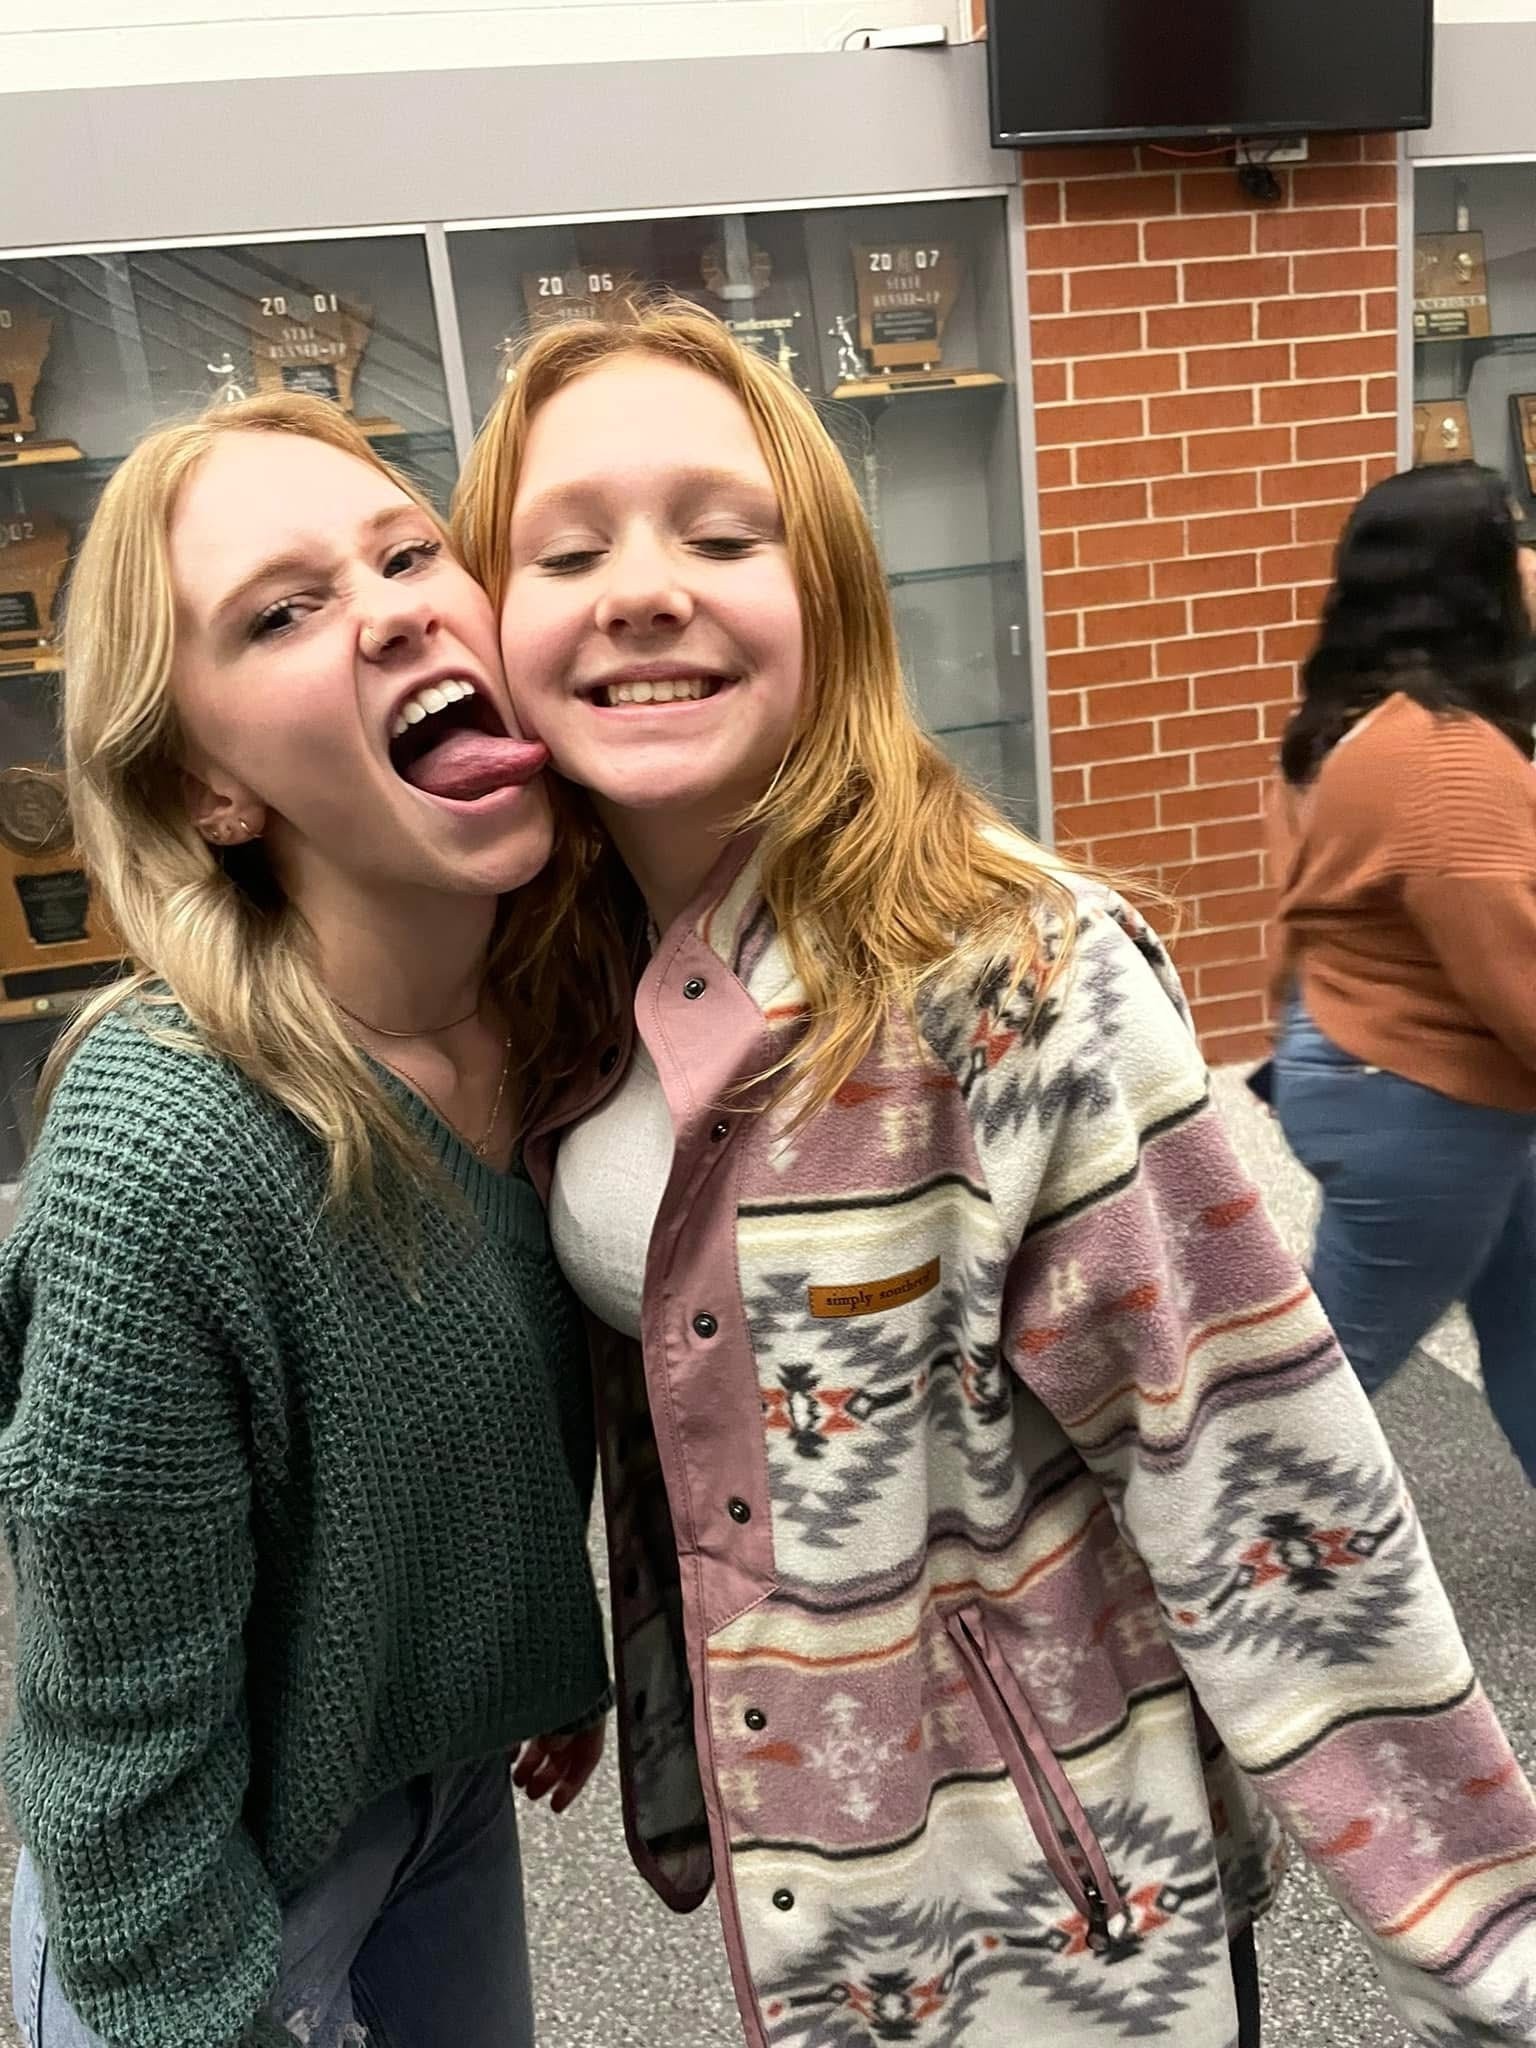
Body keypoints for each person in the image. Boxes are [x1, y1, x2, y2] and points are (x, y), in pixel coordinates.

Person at [452, 305, 1536, 2048]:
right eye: (567, 551)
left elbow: (1254, 1474)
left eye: (722, 536)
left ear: (830, 599)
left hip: (1066, 1924)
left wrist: (1492, 1952)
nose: (642, 588)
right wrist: (604, 1646)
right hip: (815, 1899)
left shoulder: (1011, 977)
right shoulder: (566, 984)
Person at [0, 392, 610, 2048]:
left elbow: (475, 1416)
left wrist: (527, 1658)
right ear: (209, 787)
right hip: (197, 1892)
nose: (395, 607)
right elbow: (115, 1736)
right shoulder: (164, 1155)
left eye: (408, 554)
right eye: (282, 611)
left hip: (433, 1786)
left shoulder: (561, 1022)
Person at [1267, 462, 1536, 1483]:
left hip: (1372, 1061)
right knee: (1320, 1392)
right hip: (1425, 1096)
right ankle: (1204, 1554)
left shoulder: (1362, 715)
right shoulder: (1446, 757)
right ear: (1470, 577)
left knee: (1529, 1320)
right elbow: (1518, 983)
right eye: (1513, 538)